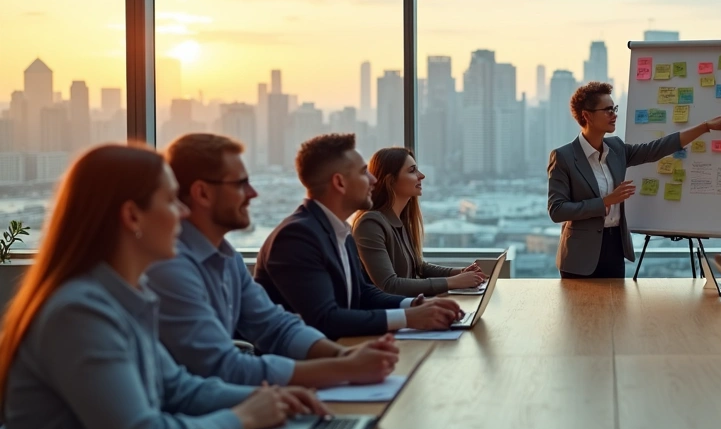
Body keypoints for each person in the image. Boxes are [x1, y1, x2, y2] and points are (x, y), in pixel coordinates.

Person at [0, 144, 326, 429]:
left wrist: (271, 398)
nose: (185, 213)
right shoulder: (78, 312)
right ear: (132, 216)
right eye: (172, 201)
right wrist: (246, 417)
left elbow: (179, 389)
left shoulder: (125, 296)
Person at [147, 133, 400, 388]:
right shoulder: (171, 266)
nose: (253, 193)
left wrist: (343, 355)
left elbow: (276, 326)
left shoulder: (229, 258)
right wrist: (341, 367)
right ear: (202, 193)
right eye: (240, 184)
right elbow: (219, 367)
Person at [255, 134, 462, 340]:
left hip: (343, 351)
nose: (373, 180)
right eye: (364, 172)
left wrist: (416, 304)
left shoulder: (340, 232)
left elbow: (363, 293)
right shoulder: (296, 238)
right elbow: (325, 320)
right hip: (305, 365)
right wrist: (408, 317)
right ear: (340, 183)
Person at [547, 81, 721, 278]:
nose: (614, 114)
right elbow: (557, 210)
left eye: (614, 108)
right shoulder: (564, 157)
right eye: (607, 110)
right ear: (587, 115)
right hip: (579, 256)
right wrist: (604, 202)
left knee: (616, 308)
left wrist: (705, 127)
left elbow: (657, 148)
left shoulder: (616, 149)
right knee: (579, 309)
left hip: (614, 248)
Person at [353, 147, 485, 296]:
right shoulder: (370, 224)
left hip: (410, 310)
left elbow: (419, 267)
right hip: (391, 316)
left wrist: (460, 273)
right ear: (390, 181)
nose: (421, 176)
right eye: (412, 171)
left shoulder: (400, 220)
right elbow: (389, 285)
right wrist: (453, 282)